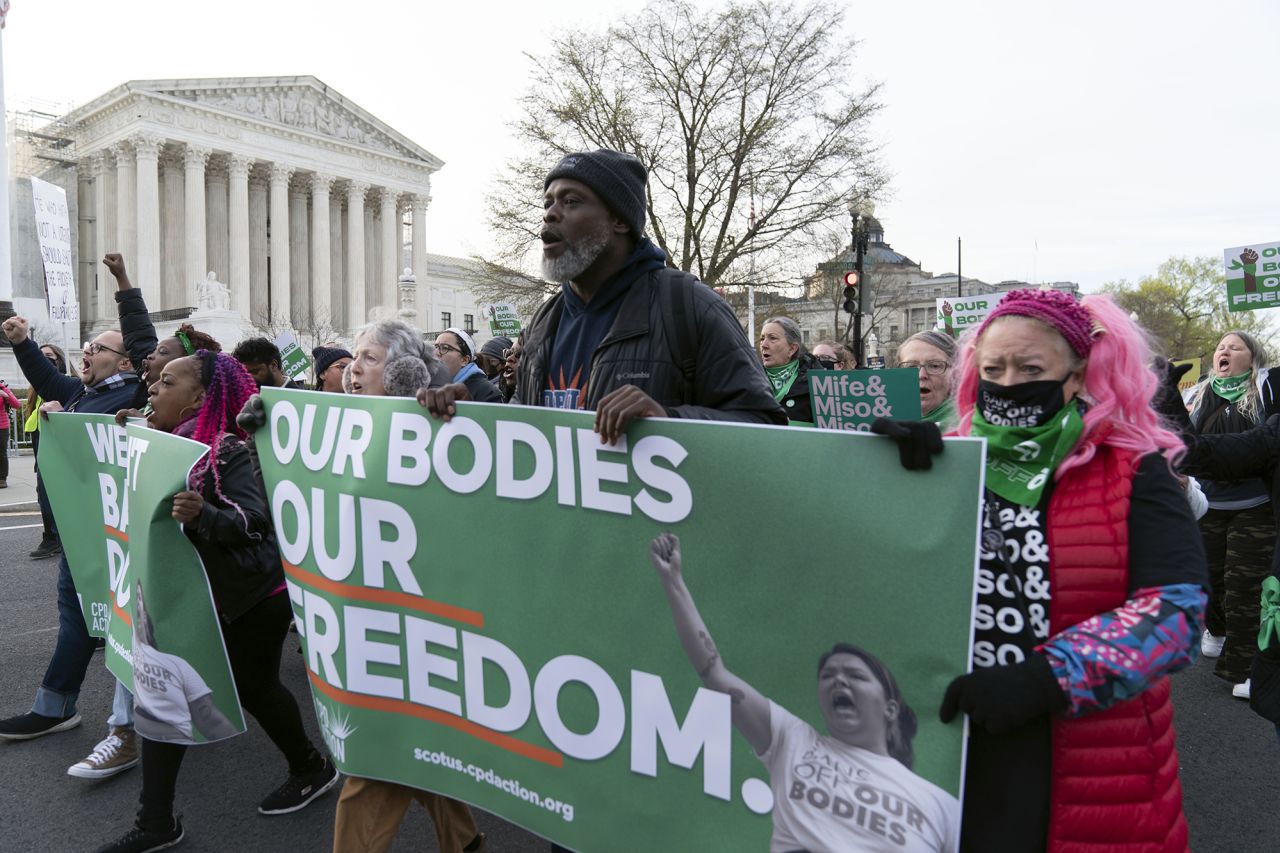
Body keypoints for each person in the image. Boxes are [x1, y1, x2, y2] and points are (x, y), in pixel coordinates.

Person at [876, 289, 1208, 851]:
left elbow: (1176, 614)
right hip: (946, 746)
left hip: (1083, 760)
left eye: (1031, 368)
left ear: (1076, 377)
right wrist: (874, 478)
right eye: (993, 369)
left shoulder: (1130, 468)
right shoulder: (944, 460)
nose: (1008, 383)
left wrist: (1047, 678)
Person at [96, 350, 338, 853]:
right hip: (194, 597)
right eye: (153, 382)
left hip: (250, 596)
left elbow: (255, 523)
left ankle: (311, 768)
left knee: (253, 688)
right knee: (165, 693)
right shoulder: (163, 445)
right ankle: (157, 822)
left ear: (199, 400)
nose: (152, 389)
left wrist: (204, 514)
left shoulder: (225, 450)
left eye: (166, 382)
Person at [420, 149, 784, 438]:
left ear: (620, 220)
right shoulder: (545, 322)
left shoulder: (689, 306)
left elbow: (764, 425)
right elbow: (525, 426)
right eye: (548, 203)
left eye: (571, 201)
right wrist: (475, 414)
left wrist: (668, 421)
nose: (550, 214)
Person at [649, 533, 960, 852]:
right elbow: (712, 671)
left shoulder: (942, 806)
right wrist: (673, 581)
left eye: (855, 675)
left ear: (891, 708)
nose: (839, 681)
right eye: (828, 675)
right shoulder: (791, 741)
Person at [329, 321, 485, 853]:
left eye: (369, 358)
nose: (354, 370)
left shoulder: (439, 428)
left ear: (400, 370)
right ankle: (463, 840)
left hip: (419, 621)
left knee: (375, 762)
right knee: (416, 744)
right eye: (353, 357)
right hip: (367, 619)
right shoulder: (336, 427)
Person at [0, 305, 150, 765]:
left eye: (98, 348)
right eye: (87, 347)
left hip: (123, 542)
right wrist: (22, 341)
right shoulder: (82, 393)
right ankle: (55, 706)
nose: (86, 351)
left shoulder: (138, 397)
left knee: (135, 629)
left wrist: (126, 287)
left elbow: (144, 342)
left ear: (125, 363)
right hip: (83, 537)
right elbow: (47, 380)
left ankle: (153, 720)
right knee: (79, 619)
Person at [1182, 331, 1279, 695]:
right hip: (1207, 505)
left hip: (1256, 506)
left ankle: (1247, 671)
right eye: (1220, 346)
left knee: (1244, 588)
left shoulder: (1268, 387)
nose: (1224, 350)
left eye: (1234, 347)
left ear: (1252, 358)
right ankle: (1217, 628)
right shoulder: (1197, 394)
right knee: (1207, 582)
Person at [25, 343, 67, 559]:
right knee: (43, 494)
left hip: (57, 448)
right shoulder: (36, 389)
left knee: (53, 494)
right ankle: (52, 537)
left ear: (59, 360)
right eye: (40, 357)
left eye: (49, 357)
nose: (43, 361)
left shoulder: (62, 385)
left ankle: (55, 538)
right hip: (40, 443)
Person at [760, 316, 822, 425]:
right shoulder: (749, 380)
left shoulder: (819, 384)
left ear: (792, 349)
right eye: (762, 338)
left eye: (772, 338)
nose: (764, 345)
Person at [895, 329, 958, 428]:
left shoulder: (972, 428)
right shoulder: (884, 421)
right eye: (911, 367)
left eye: (935, 366)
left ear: (955, 373)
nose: (921, 375)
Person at [433, 327, 502, 402]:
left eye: (445, 348)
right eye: (436, 347)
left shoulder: (486, 391)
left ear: (464, 360)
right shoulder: (431, 384)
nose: (436, 353)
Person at [232, 337, 304, 390]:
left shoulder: (301, 400)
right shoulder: (244, 399)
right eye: (244, 374)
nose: (249, 378)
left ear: (273, 365)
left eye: (255, 372)